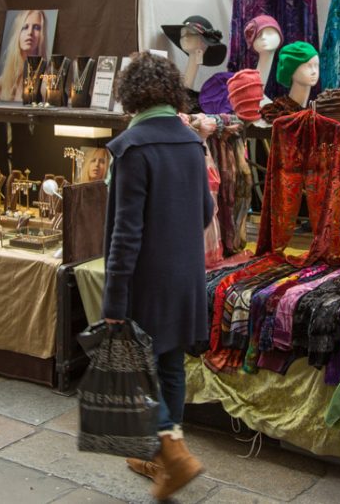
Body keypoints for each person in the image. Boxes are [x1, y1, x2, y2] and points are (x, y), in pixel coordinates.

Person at [101, 53, 213, 500]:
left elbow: (125, 234)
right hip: (186, 274)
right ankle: (164, 458)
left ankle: (172, 449)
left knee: (137, 370)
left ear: (129, 95)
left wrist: (113, 301)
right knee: (169, 364)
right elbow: (206, 213)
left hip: (146, 278)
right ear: (170, 91)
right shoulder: (191, 142)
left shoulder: (132, 146)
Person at [0, 9, 47, 101]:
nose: (30, 32)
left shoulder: (46, 82)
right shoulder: (2, 82)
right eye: (25, 27)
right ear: (18, 33)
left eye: (36, 28)